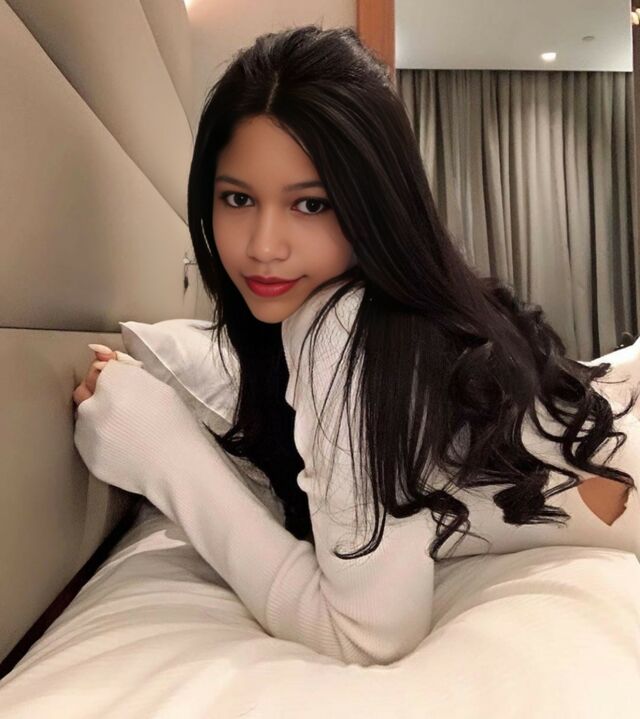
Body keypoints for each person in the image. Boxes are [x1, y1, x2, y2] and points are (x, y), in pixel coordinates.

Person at [72, 25, 640, 667]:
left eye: (311, 205)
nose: (263, 245)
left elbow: (365, 636)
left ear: (376, 205)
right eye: (238, 198)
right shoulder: (374, 316)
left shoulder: (343, 328)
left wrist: (163, 450)